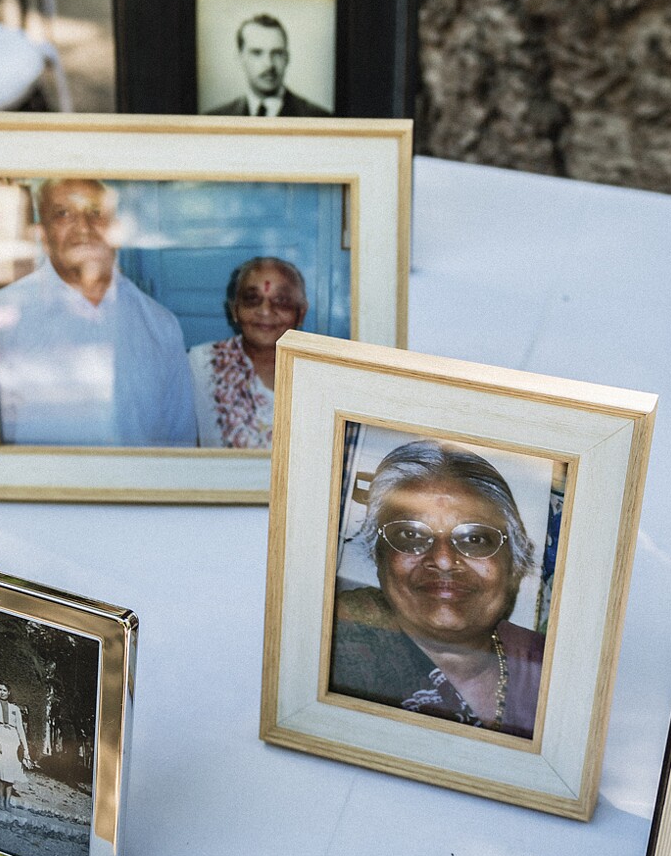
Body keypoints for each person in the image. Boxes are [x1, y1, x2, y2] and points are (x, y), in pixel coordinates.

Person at [329, 440, 547, 739]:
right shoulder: (332, 646)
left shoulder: (553, 670)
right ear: (379, 556)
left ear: (514, 563)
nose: (443, 560)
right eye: (410, 534)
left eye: (474, 539)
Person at [0, 177, 196, 447]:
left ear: (116, 230)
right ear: (42, 235)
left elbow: (181, 442)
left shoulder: (161, 324)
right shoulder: (1, 317)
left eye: (96, 212)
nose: (84, 227)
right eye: (63, 214)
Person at [189, 256, 308, 448]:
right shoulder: (201, 364)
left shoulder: (322, 371)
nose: (265, 311)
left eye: (281, 300)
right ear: (234, 309)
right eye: (252, 299)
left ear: (301, 313)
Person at [207, 13, 331, 117]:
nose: (269, 64)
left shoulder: (319, 118)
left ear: (287, 58)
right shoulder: (215, 119)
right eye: (257, 53)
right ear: (240, 58)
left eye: (277, 53)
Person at [0, 680, 31, 811]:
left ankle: (8, 801)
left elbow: (20, 729)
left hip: (12, 740)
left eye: (4, 690)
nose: (2, 693)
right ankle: (0, 798)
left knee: (10, 771)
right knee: (0, 770)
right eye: (0, 689)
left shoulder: (15, 709)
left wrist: (25, 748)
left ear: (9, 692)